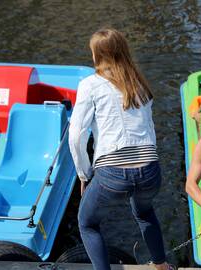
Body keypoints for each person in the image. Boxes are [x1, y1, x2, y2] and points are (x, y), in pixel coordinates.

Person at [69, 28, 172, 270]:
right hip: (150, 168)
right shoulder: (137, 80)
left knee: (87, 223)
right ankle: (161, 264)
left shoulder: (90, 84)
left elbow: (76, 136)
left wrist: (84, 175)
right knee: (145, 212)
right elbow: (150, 128)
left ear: (97, 55)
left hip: (113, 173)